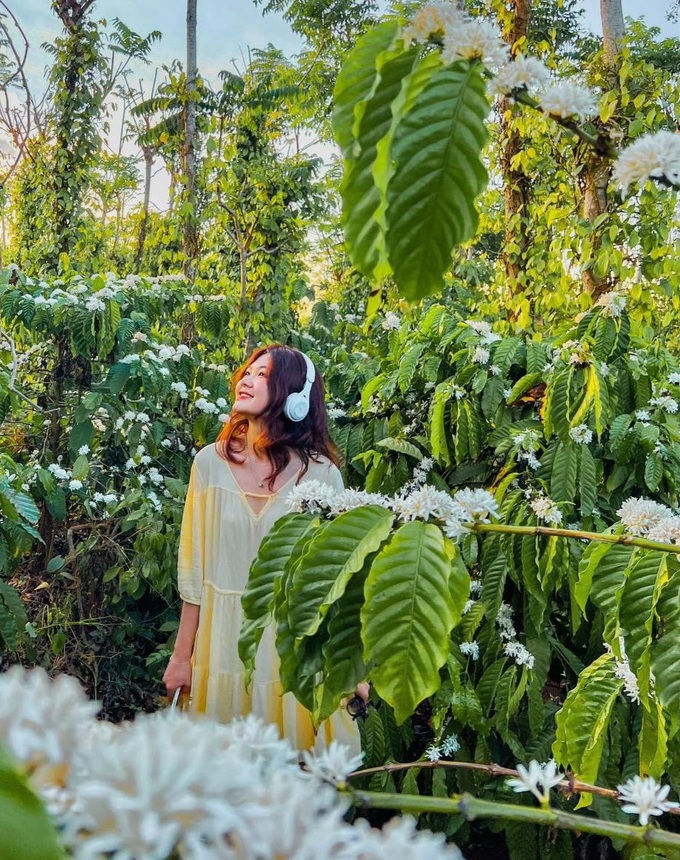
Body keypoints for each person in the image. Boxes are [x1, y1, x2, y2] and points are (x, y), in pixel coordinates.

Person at [163, 344, 361, 752]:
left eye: (263, 374)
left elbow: (339, 580)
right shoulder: (209, 464)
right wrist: (182, 659)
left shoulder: (323, 477)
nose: (247, 379)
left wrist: (350, 669)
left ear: (296, 396)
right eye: (247, 372)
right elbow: (194, 576)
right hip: (220, 645)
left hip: (291, 647)